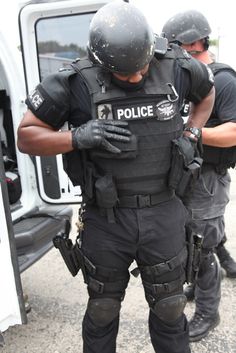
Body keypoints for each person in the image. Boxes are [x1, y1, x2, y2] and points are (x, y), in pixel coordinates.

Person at [17, 2, 215, 353]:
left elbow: (207, 93)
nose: (137, 78)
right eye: (125, 74)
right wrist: (76, 137)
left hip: (165, 209)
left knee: (170, 308)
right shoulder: (74, 81)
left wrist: (193, 133)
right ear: (101, 63)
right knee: (103, 309)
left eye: (142, 67)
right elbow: (26, 135)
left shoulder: (178, 66)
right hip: (107, 219)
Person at [162, 9, 236, 342]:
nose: (171, 52)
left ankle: (209, 313)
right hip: (185, 178)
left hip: (207, 179)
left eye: (176, 45)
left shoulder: (222, 79)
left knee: (203, 249)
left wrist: (193, 134)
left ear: (194, 42)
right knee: (192, 242)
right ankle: (206, 277)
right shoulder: (184, 78)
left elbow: (234, 131)